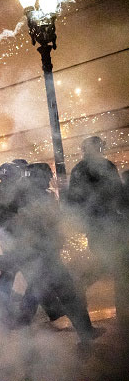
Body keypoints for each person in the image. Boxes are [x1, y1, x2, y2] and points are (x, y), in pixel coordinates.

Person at [7, 163, 104, 343]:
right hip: (44, 254)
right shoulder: (34, 197)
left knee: (37, 292)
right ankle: (85, 332)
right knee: (67, 293)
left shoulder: (27, 196)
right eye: (46, 175)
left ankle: (22, 331)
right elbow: (42, 225)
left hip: (41, 254)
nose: (49, 178)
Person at [0, 160, 65, 328]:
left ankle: (44, 311)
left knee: (24, 278)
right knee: (33, 278)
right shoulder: (13, 193)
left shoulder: (2, 192)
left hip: (12, 242)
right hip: (18, 243)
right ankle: (21, 317)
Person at [67, 136, 129, 339]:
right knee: (120, 271)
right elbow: (118, 195)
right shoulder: (106, 166)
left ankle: (78, 290)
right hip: (111, 227)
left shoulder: (77, 170)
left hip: (94, 229)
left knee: (109, 267)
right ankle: (124, 319)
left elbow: (73, 202)